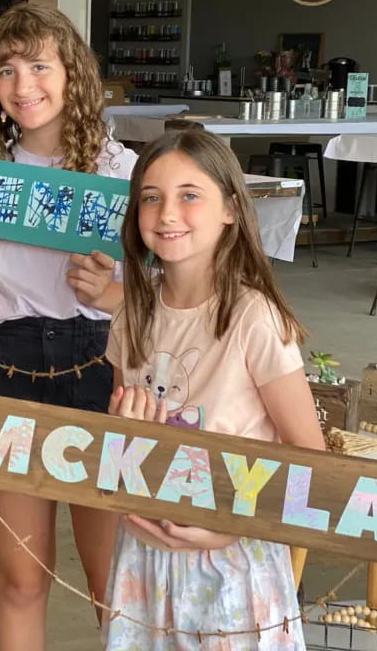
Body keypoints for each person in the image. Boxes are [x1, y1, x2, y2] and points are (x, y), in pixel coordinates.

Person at [103, 129, 324, 650]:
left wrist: (230, 529)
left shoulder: (255, 320)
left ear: (229, 208)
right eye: (151, 197)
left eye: (190, 195)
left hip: (234, 561)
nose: (167, 213)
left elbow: (310, 463)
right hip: (145, 560)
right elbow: (116, 453)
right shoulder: (130, 315)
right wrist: (124, 447)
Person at [0, 1, 138, 650]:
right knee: (20, 580)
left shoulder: (123, 172)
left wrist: (115, 293)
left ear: (73, 72)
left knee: (115, 580)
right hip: (4, 364)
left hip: (103, 366)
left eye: (39, 65)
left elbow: (177, 299)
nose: (23, 85)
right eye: (6, 70)